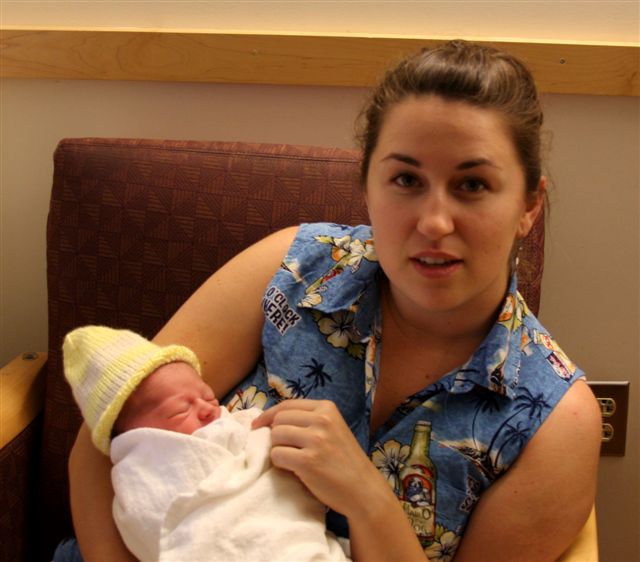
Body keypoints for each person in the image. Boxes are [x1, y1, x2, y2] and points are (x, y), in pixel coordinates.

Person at [66, 39, 601, 562]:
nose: (435, 222)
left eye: (473, 185)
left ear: (528, 206)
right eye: (406, 179)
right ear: (366, 185)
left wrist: (367, 500)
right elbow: (104, 436)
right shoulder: (292, 270)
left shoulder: (554, 424)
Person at [62, 325, 349, 562]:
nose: (208, 409)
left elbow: (263, 446)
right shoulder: (139, 477)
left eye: (209, 396)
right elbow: (146, 522)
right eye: (180, 411)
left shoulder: (235, 424)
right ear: (137, 438)